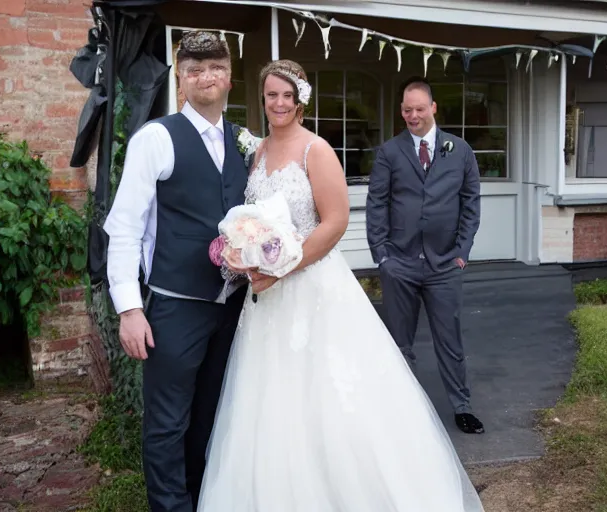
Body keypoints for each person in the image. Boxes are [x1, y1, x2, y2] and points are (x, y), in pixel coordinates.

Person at [197, 60, 484, 511]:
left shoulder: (317, 150)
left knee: (330, 394)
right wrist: (245, 253)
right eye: (271, 95)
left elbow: (335, 223)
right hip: (266, 302)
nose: (278, 103)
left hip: (311, 289)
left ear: (301, 100)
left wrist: (284, 268)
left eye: (287, 95)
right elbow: (254, 220)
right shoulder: (257, 153)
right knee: (268, 400)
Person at [103, 31, 249, 511]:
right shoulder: (156, 138)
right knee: (167, 422)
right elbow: (124, 227)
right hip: (174, 308)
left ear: (229, 76)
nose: (206, 76)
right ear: (181, 79)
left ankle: (199, 498)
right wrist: (129, 308)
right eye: (194, 69)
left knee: (208, 416)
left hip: (230, 309)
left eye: (215, 67)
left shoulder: (241, 140)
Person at [366, 76, 484, 435]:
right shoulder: (389, 152)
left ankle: (461, 406)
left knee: (449, 340)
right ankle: (405, 410)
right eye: (406, 110)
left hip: (444, 264)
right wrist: (382, 255)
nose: (412, 115)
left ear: (433, 108)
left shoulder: (460, 150)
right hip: (398, 263)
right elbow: (377, 204)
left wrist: (461, 252)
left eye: (419, 109)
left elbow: (471, 204)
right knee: (400, 343)